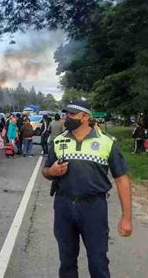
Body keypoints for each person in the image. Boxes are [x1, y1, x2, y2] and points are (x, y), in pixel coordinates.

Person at [42, 99, 132, 278]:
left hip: (93, 208)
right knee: (66, 261)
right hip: (64, 206)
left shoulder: (107, 142)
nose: (67, 117)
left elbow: (122, 180)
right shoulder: (59, 141)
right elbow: (46, 171)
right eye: (67, 113)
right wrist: (51, 171)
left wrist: (126, 218)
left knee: (98, 261)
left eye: (72, 114)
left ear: (85, 116)